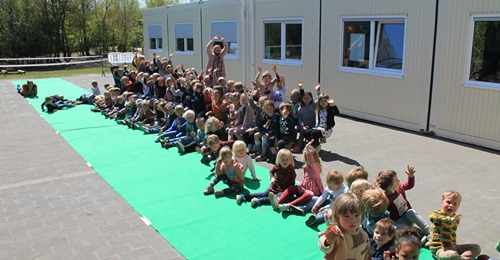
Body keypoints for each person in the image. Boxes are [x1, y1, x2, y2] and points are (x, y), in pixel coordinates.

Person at [267, 139, 320, 215]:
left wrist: (307, 147)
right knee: (291, 188)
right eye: (305, 155)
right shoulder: (306, 166)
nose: (306, 157)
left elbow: (311, 161)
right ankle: (278, 201)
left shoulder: (316, 168)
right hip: (303, 188)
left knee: (309, 194)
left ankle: (288, 205)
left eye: (308, 156)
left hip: (311, 191)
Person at [376, 165, 430, 235]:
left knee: (411, 212)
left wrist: (411, 176)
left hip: (408, 216)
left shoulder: (399, 188)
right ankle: (416, 234)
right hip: (398, 222)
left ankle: (427, 231)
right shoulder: (385, 199)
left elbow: (409, 185)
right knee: (393, 229)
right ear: (390, 186)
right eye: (396, 180)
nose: (399, 181)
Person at [429, 190, 481, 260]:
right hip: (439, 249)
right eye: (448, 202)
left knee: (476, 248)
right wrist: (449, 220)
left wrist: (453, 219)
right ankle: (458, 258)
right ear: (442, 202)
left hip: (452, 246)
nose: (451, 205)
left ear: (458, 206)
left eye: (454, 204)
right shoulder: (436, 213)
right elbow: (433, 218)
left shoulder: (456, 218)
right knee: (452, 255)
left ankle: (462, 258)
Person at [318, 193, 371, 260]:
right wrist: (328, 241)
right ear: (337, 217)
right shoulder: (336, 232)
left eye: (356, 215)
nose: (352, 220)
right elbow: (323, 247)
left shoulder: (363, 233)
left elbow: (367, 251)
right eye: (347, 216)